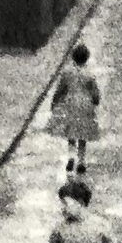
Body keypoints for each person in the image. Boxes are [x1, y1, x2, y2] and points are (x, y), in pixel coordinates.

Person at [48, 42, 102, 174]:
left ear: (73, 57)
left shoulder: (67, 73)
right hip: (85, 103)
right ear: (86, 58)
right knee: (83, 132)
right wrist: (95, 100)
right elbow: (95, 92)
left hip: (71, 102)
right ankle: (82, 160)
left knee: (71, 130)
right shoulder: (89, 75)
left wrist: (54, 102)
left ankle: (71, 156)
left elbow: (60, 90)